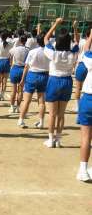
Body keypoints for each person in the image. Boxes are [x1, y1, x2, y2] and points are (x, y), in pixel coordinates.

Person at [43, 18, 79, 148]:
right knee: (61, 114)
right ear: (68, 42)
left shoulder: (53, 53)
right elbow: (77, 42)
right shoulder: (72, 54)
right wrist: (75, 28)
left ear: (57, 41)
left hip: (54, 80)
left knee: (52, 114)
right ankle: (58, 140)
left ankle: (50, 140)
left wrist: (56, 24)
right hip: (67, 81)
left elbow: (46, 39)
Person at [17, 34, 49, 129]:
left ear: (37, 42)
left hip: (32, 75)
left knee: (27, 100)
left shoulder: (32, 51)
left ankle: (21, 120)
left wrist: (22, 79)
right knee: (41, 101)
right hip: (44, 75)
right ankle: (41, 122)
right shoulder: (49, 52)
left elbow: (26, 66)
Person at [76, 28, 92, 181]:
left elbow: (86, 49)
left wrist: (91, 35)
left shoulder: (90, 58)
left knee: (86, 137)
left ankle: (83, 169)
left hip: (88, 98)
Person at [9, 35, 29, 113]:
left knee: (13, 90)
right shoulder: (28, 50)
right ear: (26, 41)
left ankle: (11, 107)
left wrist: (11, 64)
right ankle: (17, 107)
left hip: (15, 68)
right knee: (20, 90)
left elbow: (10, 56)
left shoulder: (14, 49)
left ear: (19, 41)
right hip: (23, 69)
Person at [0, 31, 11, 102]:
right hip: (6, 62)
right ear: (6, 37)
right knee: (4, 81)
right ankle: (2, 96)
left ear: (0, 37)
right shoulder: (10, 45)